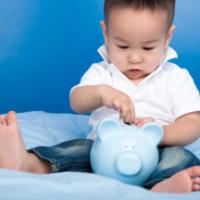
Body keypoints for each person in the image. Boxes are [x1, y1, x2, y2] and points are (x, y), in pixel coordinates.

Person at [1, 0, 200, 193]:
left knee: (179, 157)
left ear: (167, 37)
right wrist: (101, 93)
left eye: (148, 48)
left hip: (156, 151)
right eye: (123, 46)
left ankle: (163, 185)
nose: (134, 58)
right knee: (75, 150)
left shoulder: (175, 77)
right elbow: (76, 102)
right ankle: (30, 163)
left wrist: (163, 134)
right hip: (102, 152)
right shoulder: (103, 73)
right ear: (106, 33)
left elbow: (193, 122)